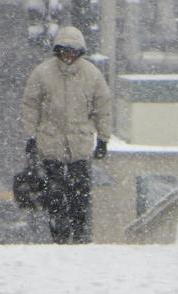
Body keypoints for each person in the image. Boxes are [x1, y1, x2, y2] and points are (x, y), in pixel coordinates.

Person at [21, 25, 112, 244]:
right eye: (65, 50)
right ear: (58, 50)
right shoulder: (42, 73)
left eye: (73, 51)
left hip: (79, 148)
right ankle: (59, 237)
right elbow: (30, 106)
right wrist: (30, 137)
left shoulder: (92, 75)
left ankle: (80, 236)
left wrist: (103, 139)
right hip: (50, 145)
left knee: (80, 197)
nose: (68, 55)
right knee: (54, 195)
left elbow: (103, 108)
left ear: (80, 52)